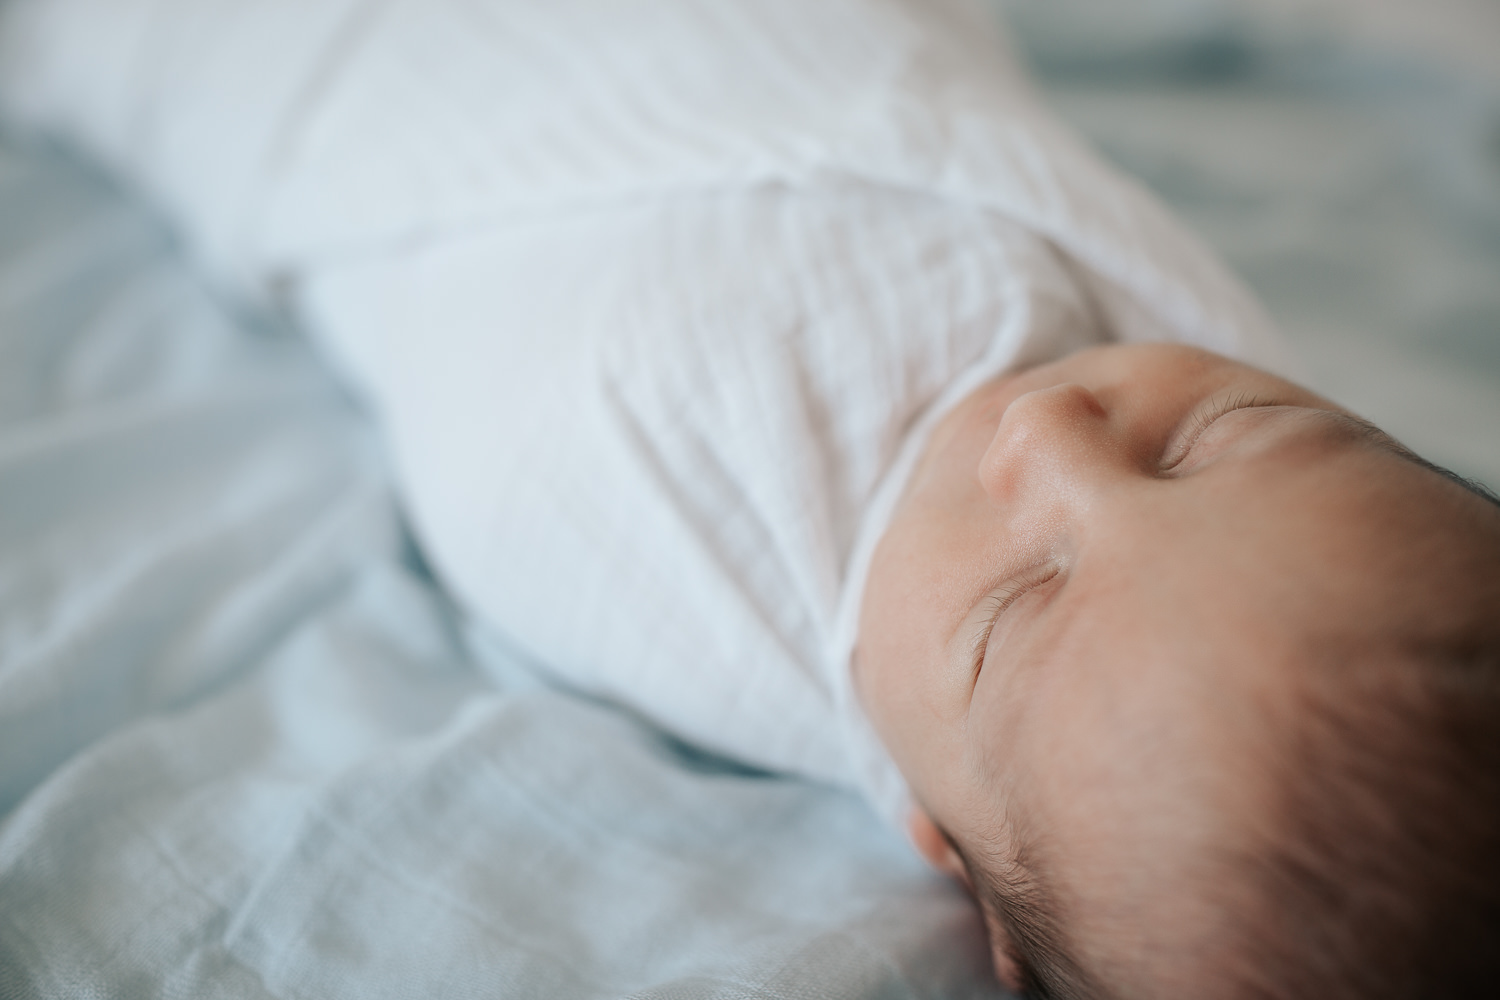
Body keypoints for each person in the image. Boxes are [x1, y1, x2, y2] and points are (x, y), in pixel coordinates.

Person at [3, 0, 1497, 997]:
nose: (1050, 435)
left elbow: (510, 377)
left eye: (1016, 601)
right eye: (1228, 437)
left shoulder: (658, 517)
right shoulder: (1208, 491)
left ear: (940, 839)